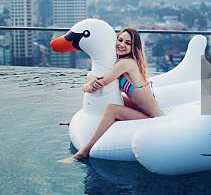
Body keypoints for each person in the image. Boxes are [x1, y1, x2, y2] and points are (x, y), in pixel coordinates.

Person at [62, 28, 164, 162]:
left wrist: (85, 85)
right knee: (118, 98)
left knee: (112, 108)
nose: (122, 45)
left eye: (128, 43)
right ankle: (76, 120)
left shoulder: (126, 63)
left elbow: (97, 85)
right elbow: (102, 81)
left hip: (154, 119)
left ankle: (84, 151)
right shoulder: (123, 61)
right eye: (120, 40)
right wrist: (91, 77)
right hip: (142, 109)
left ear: (133, 48)